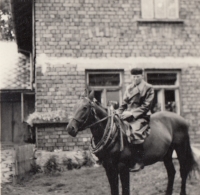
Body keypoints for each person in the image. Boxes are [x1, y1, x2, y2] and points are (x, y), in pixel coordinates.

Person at [116, 68, 154, 172]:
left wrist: (132, 113)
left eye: (138, 76)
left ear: (142, 76)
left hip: (141, 115)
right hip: (127, 114)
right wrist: (117, 113)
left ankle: (139, 161)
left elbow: (146, 106)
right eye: (133, 76)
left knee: (136, 131)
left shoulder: (149, 88)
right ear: (131, 77)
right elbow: (123, 104)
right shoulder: (129, 88)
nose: (135, 78)